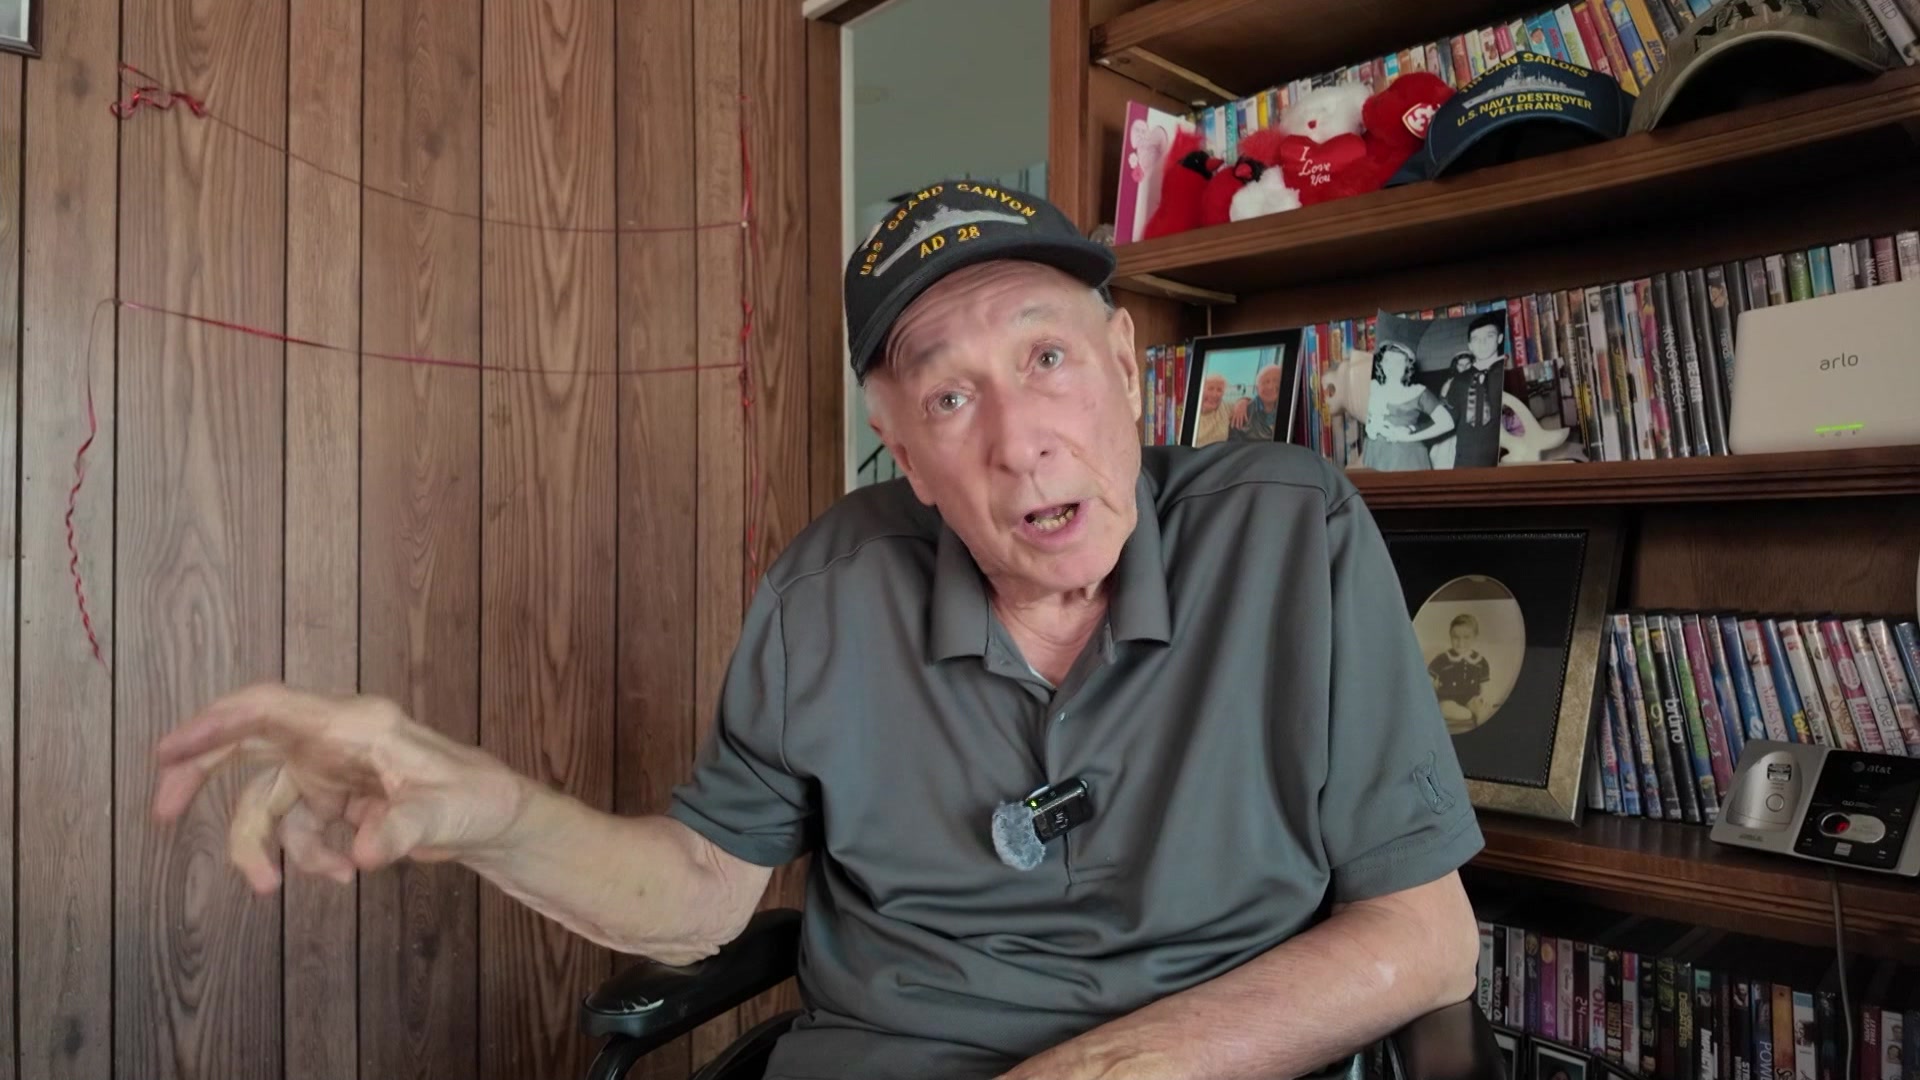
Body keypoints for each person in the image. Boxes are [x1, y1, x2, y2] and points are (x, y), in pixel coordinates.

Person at [150, 181, 1485, 1080]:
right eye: (949, 398)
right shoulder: (828, 591)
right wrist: (488, 815)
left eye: (1047, 357)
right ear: (903, 454)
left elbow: (1428, 939)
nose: (1021, 440)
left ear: (1129, 369)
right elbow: (699, 892)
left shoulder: (1288, 532)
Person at [1365, 341, 1453, 471]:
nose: (1391, 366)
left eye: (1398, 362)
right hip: (1374, 453)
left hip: (1406, 457)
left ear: (1406, 366)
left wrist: (1409, 437)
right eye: (1387, 360)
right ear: (1381, 363)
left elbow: (1447, 423)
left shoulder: (1418, 392)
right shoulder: (1372, 387)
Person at [1429, 613, 1495, 733]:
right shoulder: (1442, 659)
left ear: (1475, 637)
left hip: (1470, 698)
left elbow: (1484, 686)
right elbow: (1427, 679)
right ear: (1450, 636)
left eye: (1466, 637)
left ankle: (1482, 731)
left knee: (1482, 708)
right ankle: (1464, 714)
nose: (1460, 642)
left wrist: (1484, 699)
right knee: (1446, 708)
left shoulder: (1481, 662)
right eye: (1456, 637)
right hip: (1447, 698)